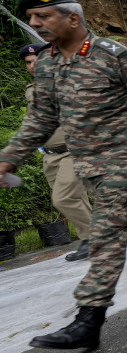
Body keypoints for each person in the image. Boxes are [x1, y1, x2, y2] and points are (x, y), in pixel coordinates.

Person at [0, 0, 127, 350]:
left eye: (44, 15)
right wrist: (9, 157)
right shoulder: (48, 65)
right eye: (32, 18)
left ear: (73, 18)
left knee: (106, 232)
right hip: (88, 163)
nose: (36, 23)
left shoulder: (114, 55)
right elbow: (40, 120)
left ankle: (89, 317)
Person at [19, 42, 93, 261]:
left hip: (73, 151)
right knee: (77, 198)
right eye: (28, 63)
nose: (32, 66)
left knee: (62, 199)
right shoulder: (32, 90)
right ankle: (91, 241)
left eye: (36, 61)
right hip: (50, 156)